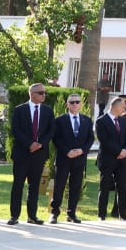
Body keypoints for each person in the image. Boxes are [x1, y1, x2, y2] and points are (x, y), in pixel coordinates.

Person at [7, 84, 53, 225]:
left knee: (34, 186)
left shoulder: (47, 111)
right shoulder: (19, 110)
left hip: (39, 155)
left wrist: (39, 144)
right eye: (40, 93)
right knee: (18, 185)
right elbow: (16, 130)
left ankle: (32, 216)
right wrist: (29, 144)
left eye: (45, 92)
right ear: (31, 94)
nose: (44, 95)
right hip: (22, 153)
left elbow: (51, 130)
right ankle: (14, 216)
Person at [50, 95, 94, 223]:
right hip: (64, 158)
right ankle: (54, 213)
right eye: (72, 102)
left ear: (81, 105)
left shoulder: (86, 120)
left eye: (77, 102)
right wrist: (67, 151)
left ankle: (71, 213)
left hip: (79, 159)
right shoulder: (60, 120)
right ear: (67, 105)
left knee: (75, 186)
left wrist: (82, 150)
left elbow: (90, 138)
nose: (75, 104)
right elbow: (55, 138)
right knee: (59, 186)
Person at [95, 95, 126, 220]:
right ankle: (102, 215)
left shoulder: (122, 121)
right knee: (104, 188)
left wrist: (125, 150)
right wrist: (119, 151)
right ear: (116, 106)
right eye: (123, 106)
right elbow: (104, 141)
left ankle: (122, 214)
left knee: (122, 188)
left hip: (122, 161)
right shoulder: (101, 121)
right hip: (107, 159)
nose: (125, 108)